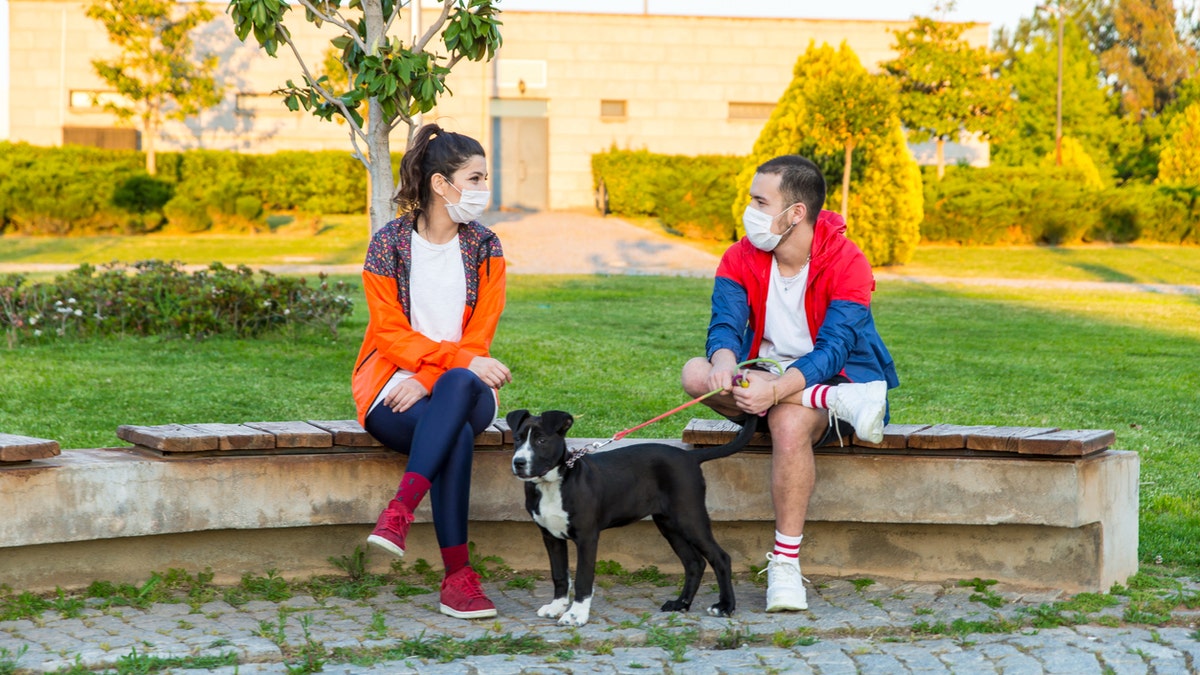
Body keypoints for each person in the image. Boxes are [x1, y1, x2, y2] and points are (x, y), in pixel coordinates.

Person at [680, 154, 898, 613]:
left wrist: (777, 391)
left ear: (795, 212)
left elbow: (835, 349)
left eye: (761, 202)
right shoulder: (740, 255)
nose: (750, 211)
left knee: (788, 422)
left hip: (833, 376)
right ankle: (829, 401)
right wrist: (723, 363)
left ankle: (785, 563)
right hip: (763, 378)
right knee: (694, 373)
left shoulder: (848, 261)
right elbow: (724, 323)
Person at [351, 124, 511, 620]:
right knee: (456, 438)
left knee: (460, 383)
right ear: (442, 184)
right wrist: (427, 375)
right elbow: (389, 335)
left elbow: (477, 342)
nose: (484, 188)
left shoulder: (486, 247)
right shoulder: (388, 245)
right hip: (390, 388)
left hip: (464, 385)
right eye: (476, 177)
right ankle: (457, 579)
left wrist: (430, 377)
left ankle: (401, 509)